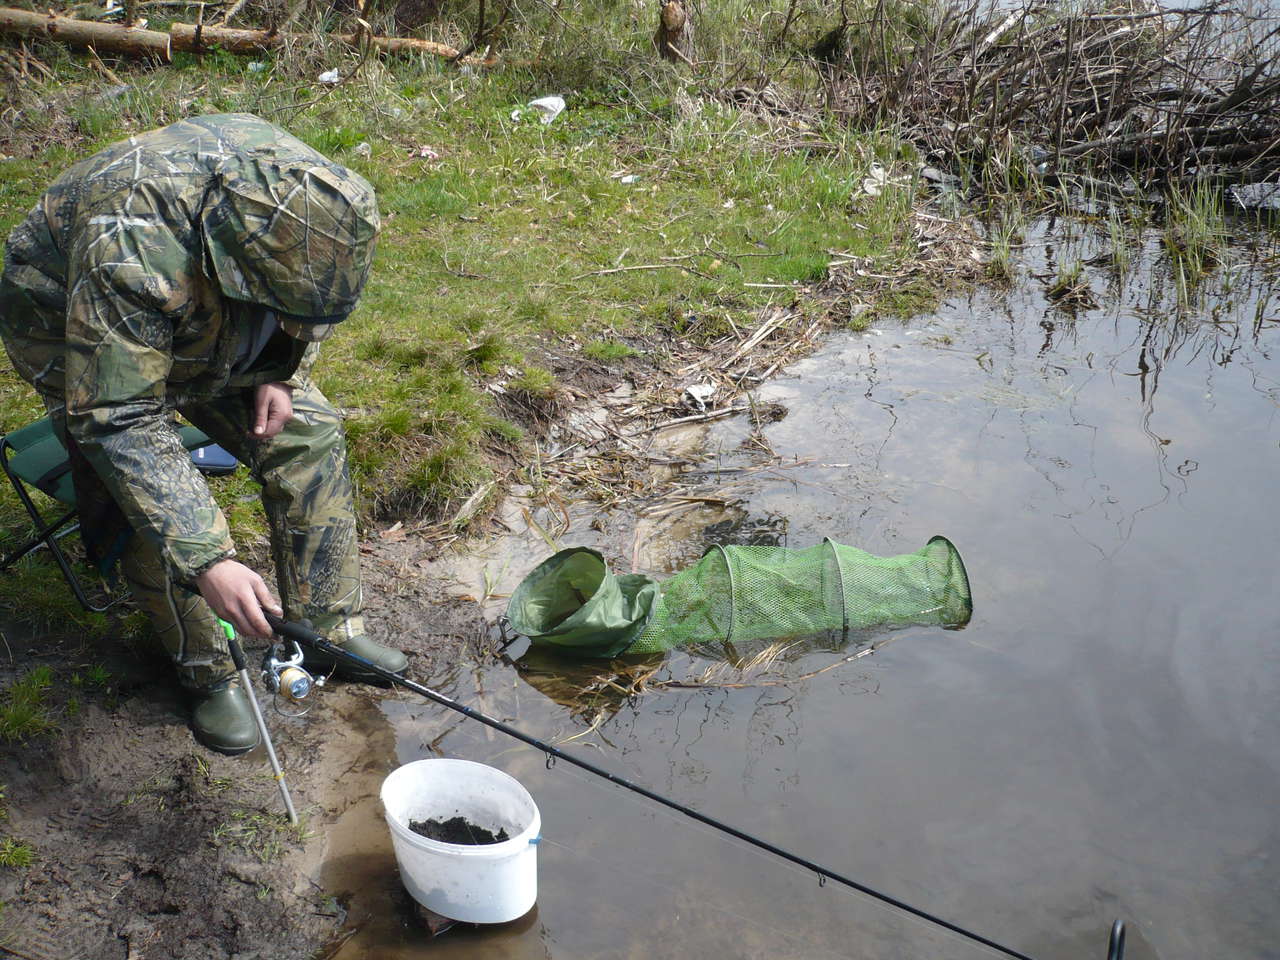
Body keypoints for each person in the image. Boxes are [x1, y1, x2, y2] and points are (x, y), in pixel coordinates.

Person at [0, 113, 408, 755]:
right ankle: (207, 671)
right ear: (236, 261)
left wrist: (279, 368)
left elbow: (304, 301)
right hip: (64, 318)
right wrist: (210, 558)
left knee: (307, 431)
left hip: (206, 308)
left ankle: (328, 629)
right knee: (146, 500)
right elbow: (121, 418)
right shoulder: (128, 248)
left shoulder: (314, 195)